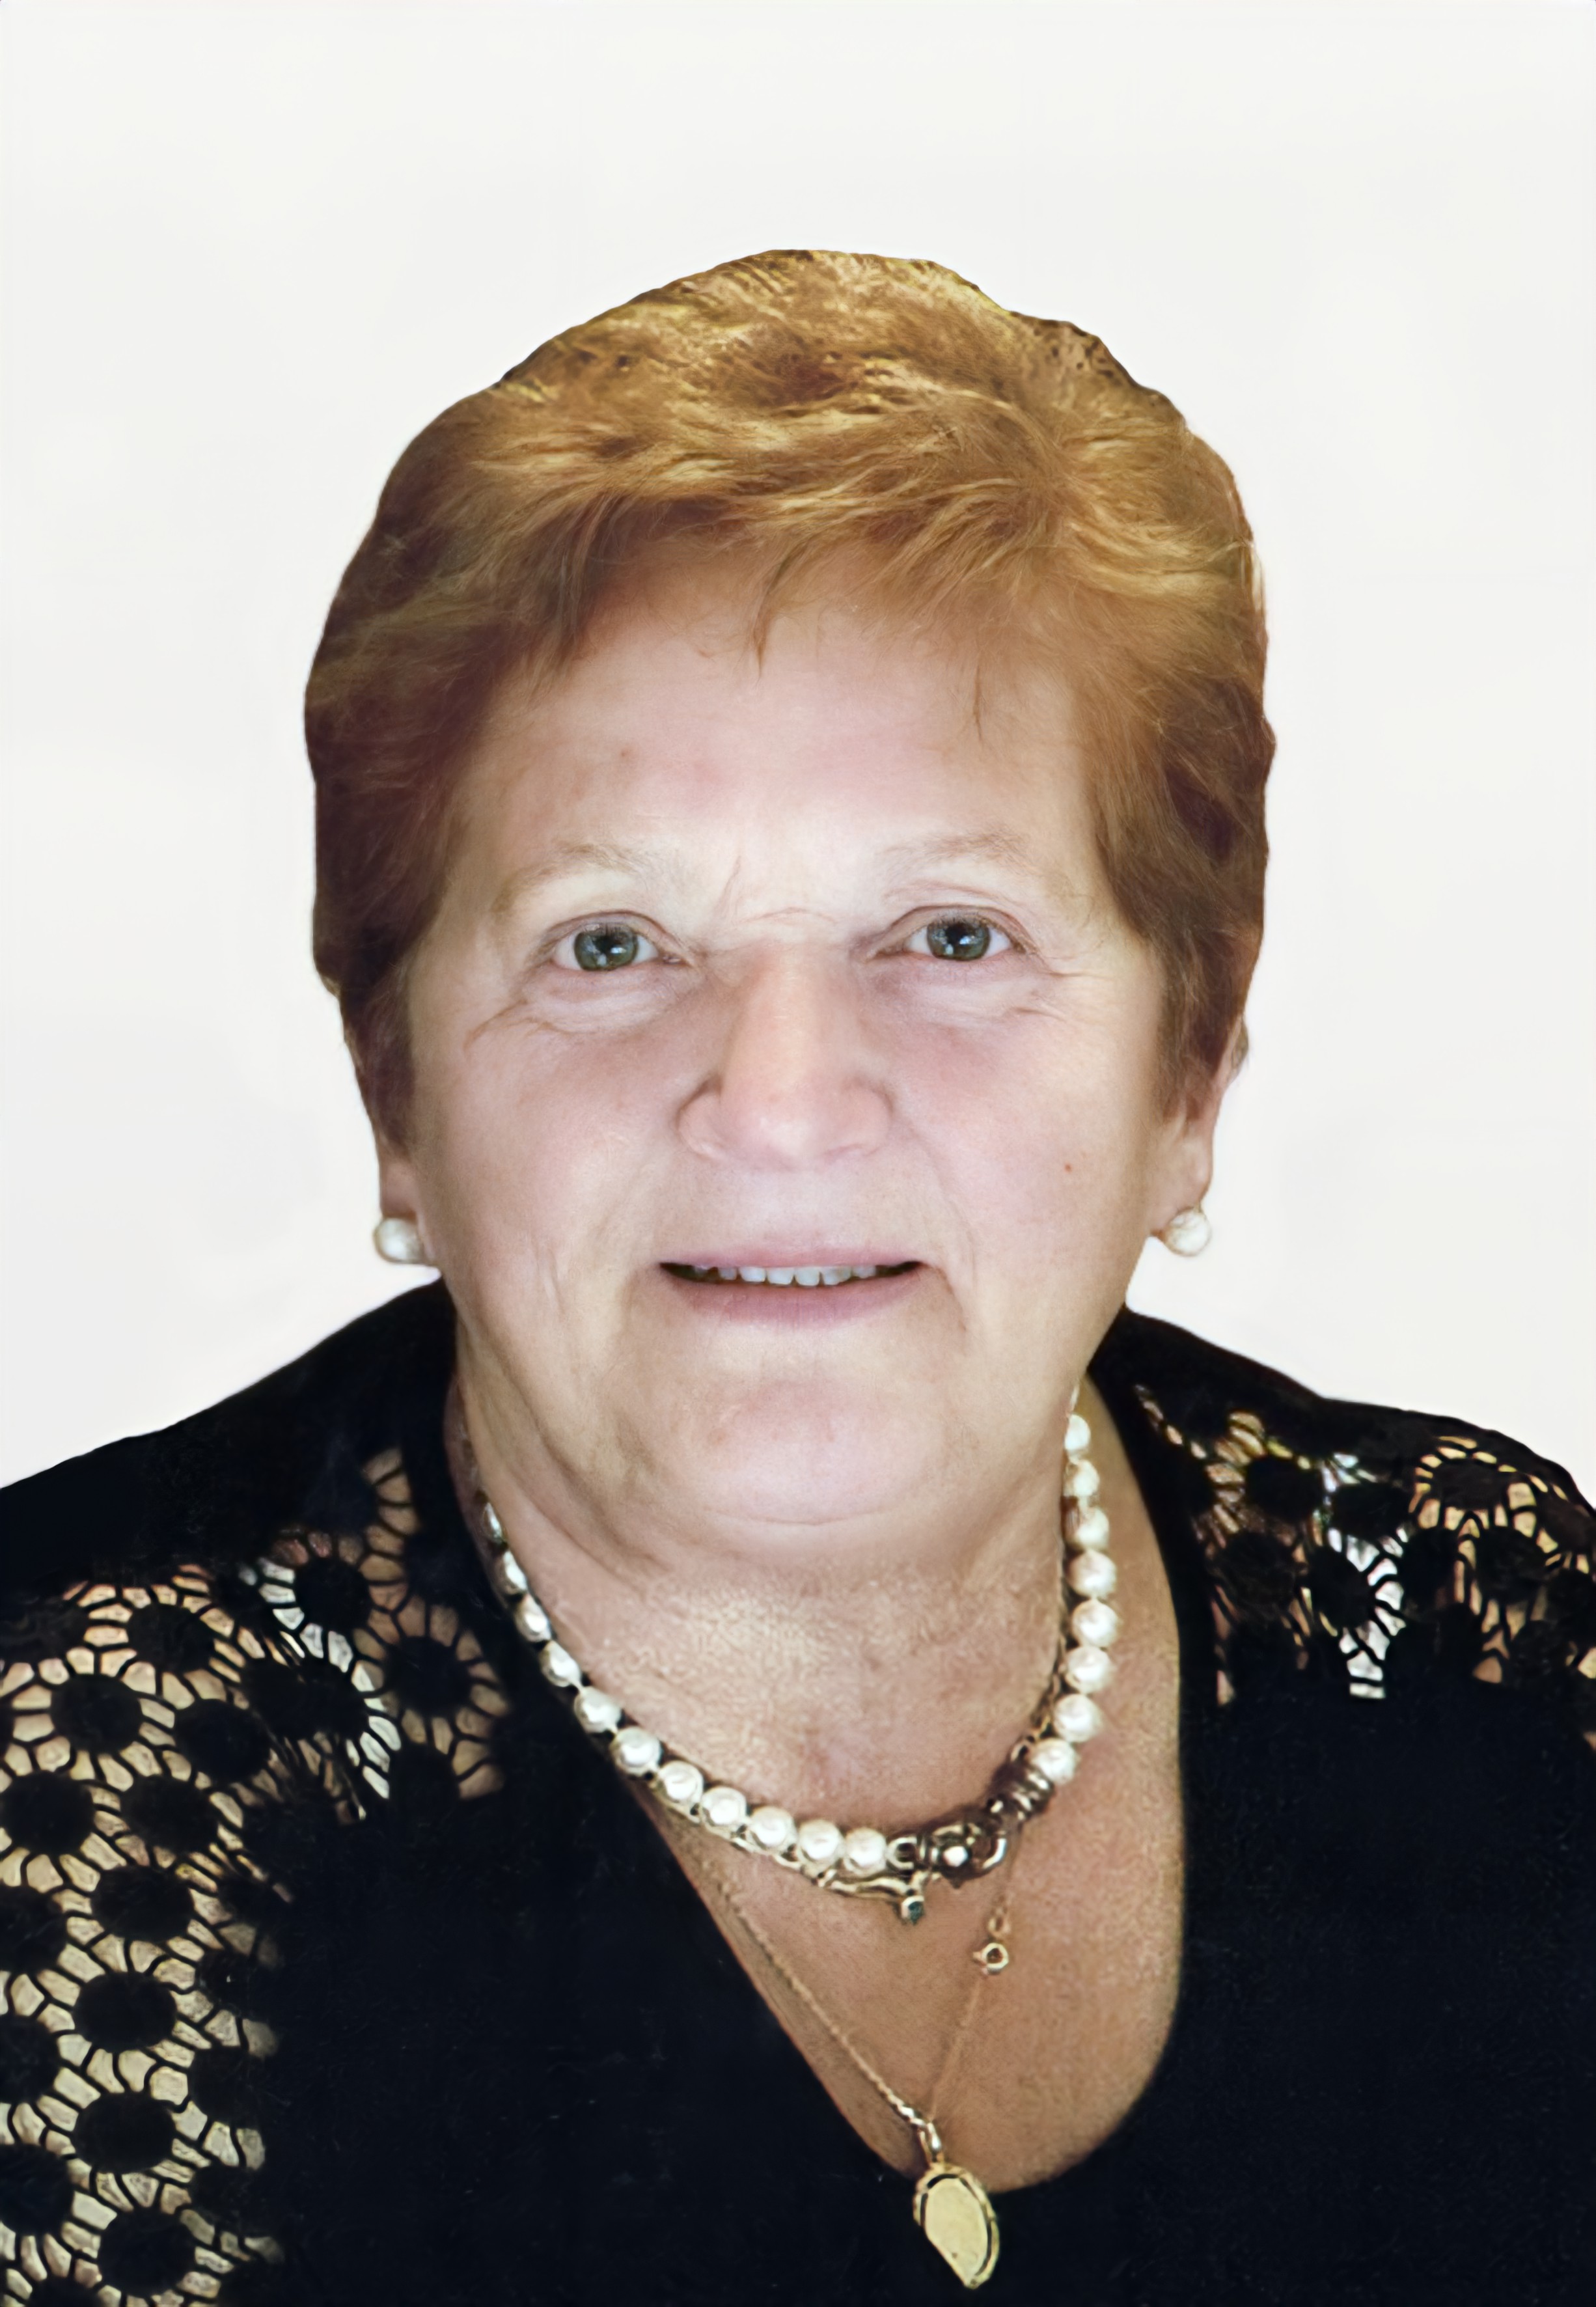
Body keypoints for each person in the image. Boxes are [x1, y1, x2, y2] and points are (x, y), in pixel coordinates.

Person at [1, 249, 1591, 2307]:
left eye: (948, 937)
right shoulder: (81, 1777)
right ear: (394, 1089)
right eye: (608, 944)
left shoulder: (1457, 1614)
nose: (776, 1104)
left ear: (1188, 1068)